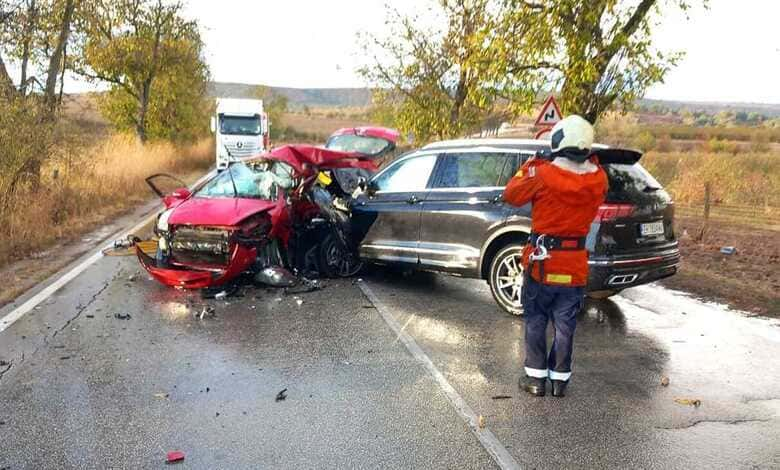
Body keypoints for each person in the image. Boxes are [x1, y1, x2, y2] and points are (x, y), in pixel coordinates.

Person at [503, 115, 608, 398]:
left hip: (543, 262)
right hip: (574, 265)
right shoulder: (598, 178)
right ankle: (560, 381)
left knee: (536, 319)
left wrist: (534, 163)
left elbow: (511, 194)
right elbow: (594, 172)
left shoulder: (543, 174)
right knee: (565, 324)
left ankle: (536, 379)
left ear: (559, 142)